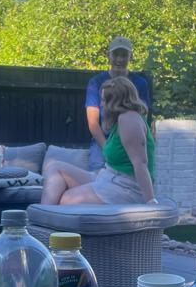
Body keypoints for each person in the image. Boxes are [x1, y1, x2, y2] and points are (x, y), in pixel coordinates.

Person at [41, 77, 159, 206]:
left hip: (127, 187)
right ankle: (41, 215)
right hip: (109, 177)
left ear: (116, 101)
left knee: (65, 200)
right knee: (55, 168)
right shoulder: (120, 120)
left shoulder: (129, 120)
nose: (101, 104)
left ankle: (43, 215)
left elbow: (140, 163)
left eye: (104, 100)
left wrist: (150, 201)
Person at [85, 37, 151, 170]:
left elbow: (143, 118)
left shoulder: (140, 83)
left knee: (139, 171)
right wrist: (107, 149)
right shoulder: (96, 82)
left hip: (132, 141)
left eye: (124, 55)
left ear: (130, 57)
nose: (119, 59)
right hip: (105, 140)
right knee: (97, 170)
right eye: (116, 54)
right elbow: (93, 122)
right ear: (108, 56)